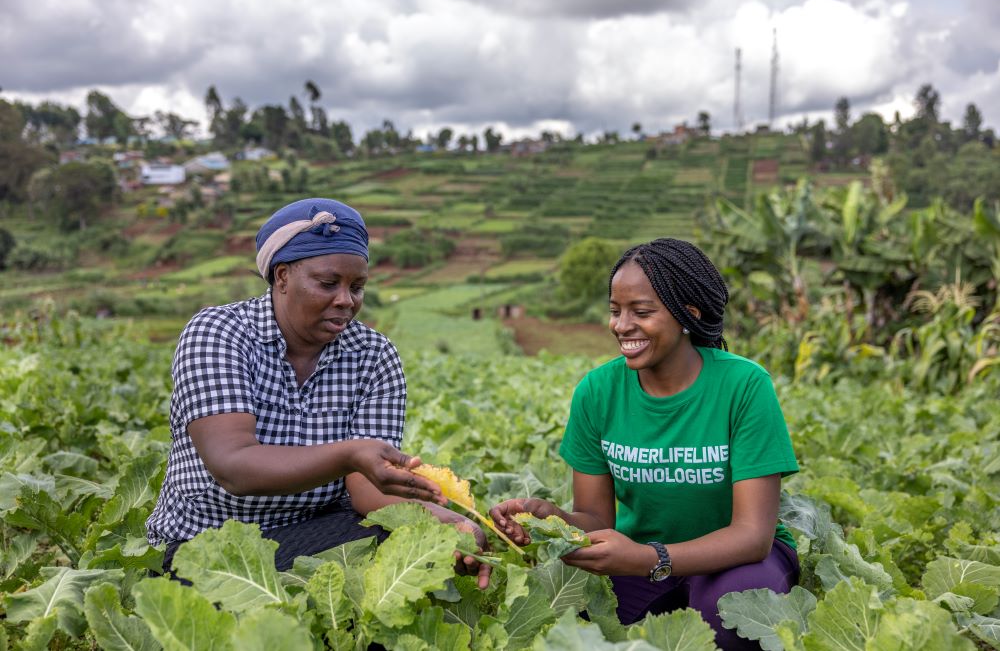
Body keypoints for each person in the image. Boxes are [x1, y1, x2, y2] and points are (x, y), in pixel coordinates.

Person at [147, 197, 488, 586]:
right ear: (282, 277)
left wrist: (453, 524)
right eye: (328, 283)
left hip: (316, 532)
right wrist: (349, 455)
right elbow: (233, 467)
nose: (345, 300)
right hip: (202, 543)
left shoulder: (374, 356)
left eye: (357, 287)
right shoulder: (219, 333)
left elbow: (367, 493)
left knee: (410, 544)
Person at [491, 239, 799, 650]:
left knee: (726, 614)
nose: (621, 325)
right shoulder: (597, 391)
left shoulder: (743, 386)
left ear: (688, 314)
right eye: (615, 311)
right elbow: (596, 519)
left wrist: (652, 559)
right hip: (641, 559)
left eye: (641, 311)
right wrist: (551, 519)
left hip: (740, 560)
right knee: (566, 620)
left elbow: (752, 534)